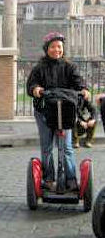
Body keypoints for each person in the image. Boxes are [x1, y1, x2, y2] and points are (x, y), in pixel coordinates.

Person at [26, 32, 89, 191]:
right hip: (45, 110)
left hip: (65, 111)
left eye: (59, 47)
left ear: (63, 49)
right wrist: (36, 89)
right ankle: (48, 179)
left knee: (66, 147)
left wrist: (83, 89)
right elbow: (31, 85)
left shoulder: (69, 67)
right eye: (53, 47)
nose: (56, 50)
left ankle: (71, 178)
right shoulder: (40, 68)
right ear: (47, 48)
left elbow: (78, 81)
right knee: (47, 147)